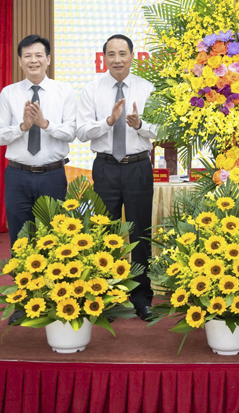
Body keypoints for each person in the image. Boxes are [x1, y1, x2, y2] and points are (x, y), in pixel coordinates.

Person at [77, 34, 156, 321]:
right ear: (104, 58)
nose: (117, 60)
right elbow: (81, 132)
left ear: (133, 56)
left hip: (138, 167)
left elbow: (163, 129)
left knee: (140, 234)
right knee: (104, 234)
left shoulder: (148, 88)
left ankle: (141, 299)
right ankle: (104, 297)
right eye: (111, 54)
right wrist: (108, 121)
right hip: (106, 167)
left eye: (123, 54)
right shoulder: (91, 90)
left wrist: (140, 124)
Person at [0, 35, 78, 245]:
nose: (33, 60)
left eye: (39, 55)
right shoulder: (8, 93)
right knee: (20, 239)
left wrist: (44, 124)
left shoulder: (64, 91)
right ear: (20, 61)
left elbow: (71, 133)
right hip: (18, 176)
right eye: (27, 56)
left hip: (52, 175)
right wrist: (23, 127)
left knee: (54, 239)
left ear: (48, 59)